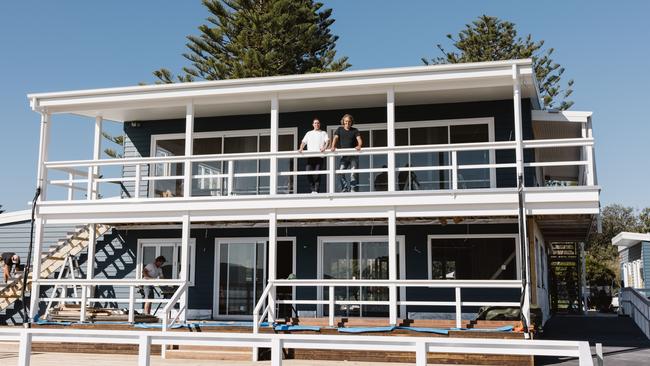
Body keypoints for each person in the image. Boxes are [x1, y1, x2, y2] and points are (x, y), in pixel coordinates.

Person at [330, 114, 362, 192]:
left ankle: (353, 189)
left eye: (349, 121)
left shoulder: (355, 130)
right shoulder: (340, 129)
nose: (347, 123)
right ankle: (345, 188)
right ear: (343, 122)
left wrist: (359, 145)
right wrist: (333, 146)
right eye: (346, 121)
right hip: (344, 156)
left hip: (353, 155)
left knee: (353, 173)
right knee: (340, 172)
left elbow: (359, 139)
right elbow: (335, 138)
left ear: (351, 122)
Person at [298, 118, 330, 193]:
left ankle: (316, 190)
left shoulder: (323, 133)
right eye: (315, 123)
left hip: (319, 157)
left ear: (319, 124)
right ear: (313, 124)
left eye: (318, 123)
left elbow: (327, 141)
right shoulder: (309, 133)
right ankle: (312, 188)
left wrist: (324, 148)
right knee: (308, 171)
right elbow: (303, 142)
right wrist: (300, 148)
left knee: (317, 173)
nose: (317, 124)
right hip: (310, 156)